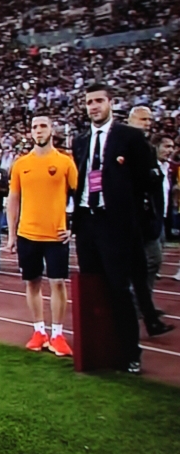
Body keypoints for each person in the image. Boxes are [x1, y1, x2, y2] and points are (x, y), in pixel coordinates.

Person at [71, 83, 154, 374]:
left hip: (115, 224)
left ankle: (130, 353)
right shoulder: (80, 140)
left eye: (98, 101)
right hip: (87, 222)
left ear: (111, 103)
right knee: (91, 288)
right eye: (89, 102)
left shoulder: (129, 137)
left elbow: (145, 182)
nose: (93, 106)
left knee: (119, 288)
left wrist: (133, 219)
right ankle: (96, 351)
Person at [6, 117, 77, 356]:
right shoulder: (21, 164)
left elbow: (78, 195)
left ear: (52, 130)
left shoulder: (65, 162)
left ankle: (57, 334)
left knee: (57, 283)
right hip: (27, 233)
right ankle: (39, 331)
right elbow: (13, 199)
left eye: (43, 126)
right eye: (35, 127)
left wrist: (72, 227)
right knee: (32, 282)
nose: (39, 131)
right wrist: (12, 235)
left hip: (56, 235)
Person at [126, 109, 174, 336]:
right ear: (131, 120)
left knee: (150, 264)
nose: (147, 123)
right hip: (135, 219)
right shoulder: (125, 146)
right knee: (145, 264)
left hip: (152, 218)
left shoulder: (149, 151)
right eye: (143, 119)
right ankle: (139, 311)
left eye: (149, 120)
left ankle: (144, 310)